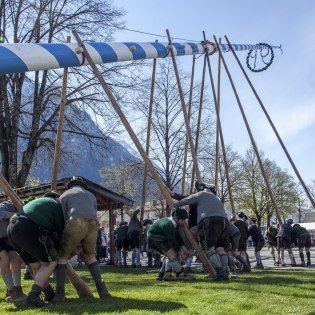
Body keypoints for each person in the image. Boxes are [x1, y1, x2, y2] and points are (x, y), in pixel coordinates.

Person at [54, 176, 110, 302]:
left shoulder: (64, 195)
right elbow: (93, 212)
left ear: (71, 186)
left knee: (62, 257)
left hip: (75, 221)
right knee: (90, 256)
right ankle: (103, 291)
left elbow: (63, 218)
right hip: (93, 223)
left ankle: (59, 294)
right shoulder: (91, 195)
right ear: (82, 186)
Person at [7, 191, 64, 307]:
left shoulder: (39, 204)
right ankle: (32, 297)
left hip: (12, 228)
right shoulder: (56, 204)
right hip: (28, 227)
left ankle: (48, 294)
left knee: (35, 266)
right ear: (58, 199)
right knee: (51, 262)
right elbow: (60, 230)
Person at [173, 182, 229, 281]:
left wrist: (174, 205)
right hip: (224, 221)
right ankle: (225, 272)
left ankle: (220, 273)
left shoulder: (201, 194)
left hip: (210, 220)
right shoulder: (216, 198)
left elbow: (186, 200)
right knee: (221, 249)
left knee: (209, 249)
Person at [147, 208, 194, 281]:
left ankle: (164, 274)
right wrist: (182, 253)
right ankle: (181, 274)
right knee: (172, 254)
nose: (183, 222)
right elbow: (173, 242)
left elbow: (178, 239)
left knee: (172, 253)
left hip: (160, 238)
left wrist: (185, 250)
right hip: (154, 238)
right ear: (177, 218)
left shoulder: (175, 225)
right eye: (182, 220)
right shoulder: (168, 225)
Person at [0, 200, 26, 302]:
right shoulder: (5, 204)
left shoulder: (18, 206)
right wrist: (20, 214)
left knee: (15, 257)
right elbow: (2, 214)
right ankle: (11, 291)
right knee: (4, 257)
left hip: (5, 237)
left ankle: (18, 289)